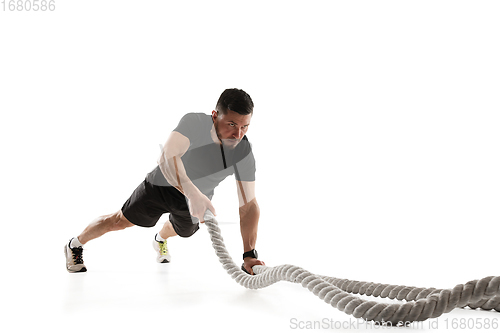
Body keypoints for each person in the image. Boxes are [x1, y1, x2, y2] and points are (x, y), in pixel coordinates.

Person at [64, 88, 265, 275]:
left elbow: (248, 206)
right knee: (118, 221)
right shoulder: (194, 123)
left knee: (181, 231)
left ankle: (160, 238)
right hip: (160, 186)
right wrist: (193, 193)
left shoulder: (243, 154)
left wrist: (249, 254)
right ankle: (75, 244)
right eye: (231, 124)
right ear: (215, 116)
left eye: (244, 127)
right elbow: (168, 157)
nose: (238, 134)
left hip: (193, 202)